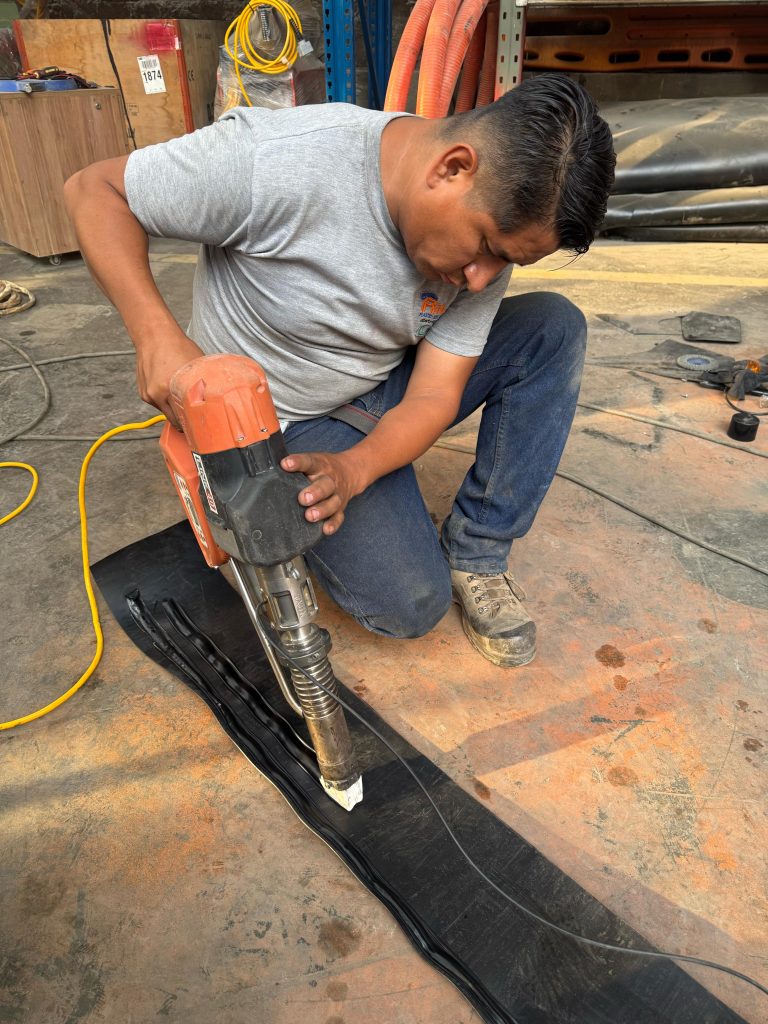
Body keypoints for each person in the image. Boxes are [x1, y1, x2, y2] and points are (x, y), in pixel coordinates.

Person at [65, 73, 615, 668]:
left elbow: (434, 393)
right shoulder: (277, 161)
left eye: (505, 263)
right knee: (410, 607)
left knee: (552, 326)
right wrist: (156, 336)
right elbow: (94, 190)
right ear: (452, 168)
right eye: (487, 248)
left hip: (384, 381)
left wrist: (357, 468)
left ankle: (478, 551)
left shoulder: (484, 249)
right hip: (280, 419)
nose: (482, 279)